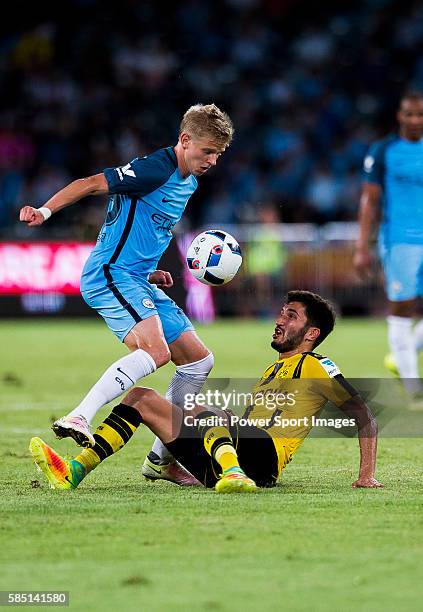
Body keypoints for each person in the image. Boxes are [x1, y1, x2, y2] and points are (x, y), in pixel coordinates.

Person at [20, 103, 234, 485]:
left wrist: (149, 270)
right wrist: (44, 211)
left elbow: (137, 227)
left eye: (218, 154)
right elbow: (88, 184)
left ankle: (161, 459)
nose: (212, 160)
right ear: (184, 141)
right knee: (155, 352)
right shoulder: (154, 169)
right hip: (110, 274)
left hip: (137, 277)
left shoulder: (190, 183)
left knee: (198, 362)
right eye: (207, 151)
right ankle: (80, 415)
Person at [29, 290, 383, 493]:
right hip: (225, 454)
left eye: (290, 316)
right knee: (140, 398)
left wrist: (366, 474)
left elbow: (363, 415)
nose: (279, 320)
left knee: (202, 407)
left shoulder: (317, 366)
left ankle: (234, 474)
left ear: (311, 334)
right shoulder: (273, 370)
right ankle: (73, 471)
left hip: (264, 463)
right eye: (281, 312)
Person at [353, 90, 423, 399]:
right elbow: (369, 201)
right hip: (399, 241)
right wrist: (361, 247)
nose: (415, 120)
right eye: (410, 114)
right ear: (400, 116)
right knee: (403, 307)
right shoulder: (383, 151)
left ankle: (401, 356)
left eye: (420, 115)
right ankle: (414, 388)